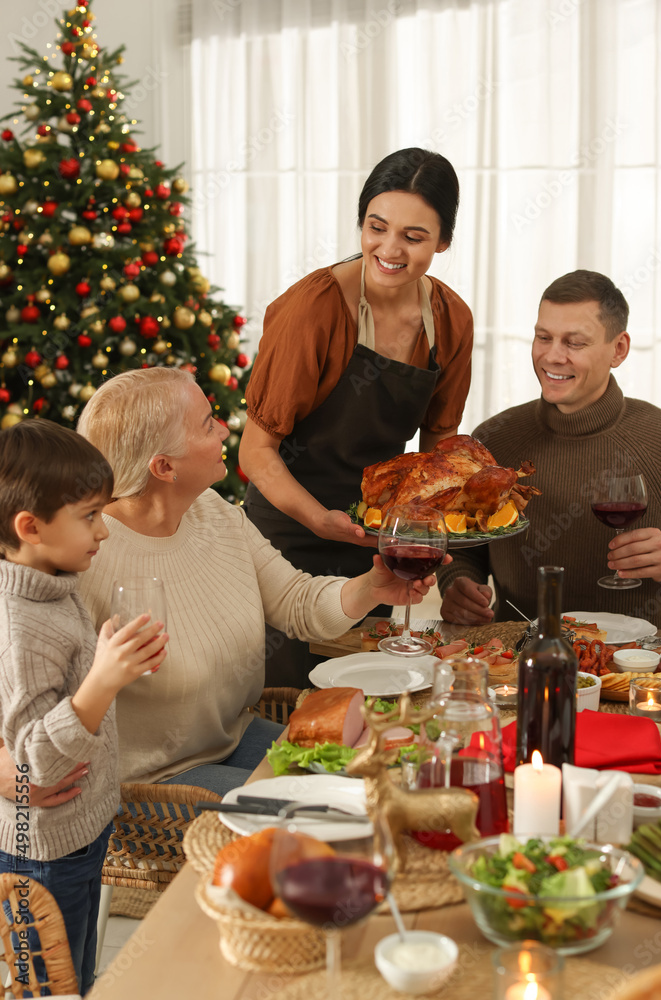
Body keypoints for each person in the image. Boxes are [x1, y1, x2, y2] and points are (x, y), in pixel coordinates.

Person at [71, 367, 444, 796]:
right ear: (164, 467)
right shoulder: (89, 555)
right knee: (336, 804)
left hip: (237, 738)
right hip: (157, 780)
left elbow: (297, 602)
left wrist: (370, 587)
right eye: (207, 423)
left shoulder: (213, 512)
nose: (225, 428)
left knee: (394, 771)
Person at [240, 147, 474, 686]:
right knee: (288, 705)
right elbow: (256, 451)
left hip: (372, 542)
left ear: (443, 242)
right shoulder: (314, 310)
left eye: (414, 238)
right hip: (286, 541)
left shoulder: (450, 319)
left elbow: (440, 442)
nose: (389, 249)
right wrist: (319, 519)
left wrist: (421, 525)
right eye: (376, 227)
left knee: (365, 696)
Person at [0, 421, 167, 995]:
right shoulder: (18, 624)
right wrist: (100, 681)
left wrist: (104, 659)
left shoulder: (53, 581)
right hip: (41, 852)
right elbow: (36, 764)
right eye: (91, 516)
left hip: (81, 831)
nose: (105, 531)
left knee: (79, 973)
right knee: (49, 987)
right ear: (32, 527)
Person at [438, 270, 661, 628]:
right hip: (519, 660)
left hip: (640, 667)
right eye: (543, 337)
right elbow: (463, 548)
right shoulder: (493, 441)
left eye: (574, 343)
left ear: (618, 349)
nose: (552, 356)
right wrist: (458, 586)